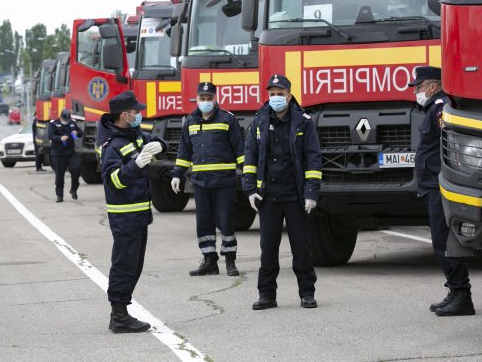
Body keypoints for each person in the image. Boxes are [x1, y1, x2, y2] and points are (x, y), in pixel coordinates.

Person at [243, 74, 322, 310]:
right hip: (268, 197)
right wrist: (249, 189)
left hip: (295, 197)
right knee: (268, 250)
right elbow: (250, 157)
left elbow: (313, 158)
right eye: (272, 93)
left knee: (302, 249)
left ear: (289, 95)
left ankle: (307, 293)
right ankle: (267, 295)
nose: (275, 97)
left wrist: (311, 193)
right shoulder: (258, 121)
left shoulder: (303, 121)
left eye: (280, 93)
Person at [98, 90, 167, 333]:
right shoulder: (112, 146)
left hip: (139, 214)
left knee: (134, 264)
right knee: (124, 264)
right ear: (124, 115)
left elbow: (152, 145)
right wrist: (136, 166)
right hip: (124, 215)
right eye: (136, 112)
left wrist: (161, 145)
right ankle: (119, 315)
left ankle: (121, 312)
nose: (139, 115)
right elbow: (114, 181)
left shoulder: (134, 136)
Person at [410, 66, 475, 317]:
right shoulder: (433, 109)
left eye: (419, 87)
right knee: (442, 242)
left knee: (443, 242)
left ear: (433, 86)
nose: (416, 92)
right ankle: (456, 291)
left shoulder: (439, 109)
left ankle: (461, 294)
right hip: (432, 185)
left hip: (440, 186)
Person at [171, 82, 244, 277]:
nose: (205, 102)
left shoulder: (228, 120)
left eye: (209, 98)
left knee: (225, 221)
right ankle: (210, 261)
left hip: (223, 182)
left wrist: (248, 176)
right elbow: (184, 151)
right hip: (200, 182)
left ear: (215, 98)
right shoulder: (190, 121)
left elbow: (240, 150)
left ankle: (230, 260)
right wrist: (177, 173)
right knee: (204, 223)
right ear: (197, 98)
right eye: (202, 98)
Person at [48, 109, 82, 202]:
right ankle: (59, 195)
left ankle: (73, 189)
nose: (66, 121)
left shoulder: (72, 123)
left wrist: (77, 133)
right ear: (61, 116)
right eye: (64, 119)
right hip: (58, 153)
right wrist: (60, 138)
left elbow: (80, 133)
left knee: (77, 168)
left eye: (68, 119)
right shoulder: (53, 123)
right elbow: (50, 136)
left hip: (70, 151)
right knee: (59, 174)